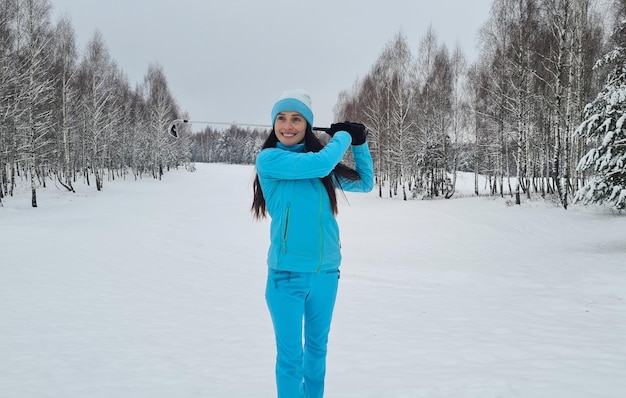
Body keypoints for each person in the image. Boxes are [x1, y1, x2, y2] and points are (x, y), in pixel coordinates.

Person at [251, 89, 374, 398]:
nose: (288, 125)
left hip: (325, 275)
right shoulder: (270, 160)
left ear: (307, 126)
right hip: (286, 277)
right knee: (292, 359)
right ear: (274, 125)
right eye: (281, 118)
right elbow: (320, 164)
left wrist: (359, 143)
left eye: (296, 119)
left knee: (317, 353)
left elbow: (365, 182)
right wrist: (344, 137)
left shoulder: (320, 167)